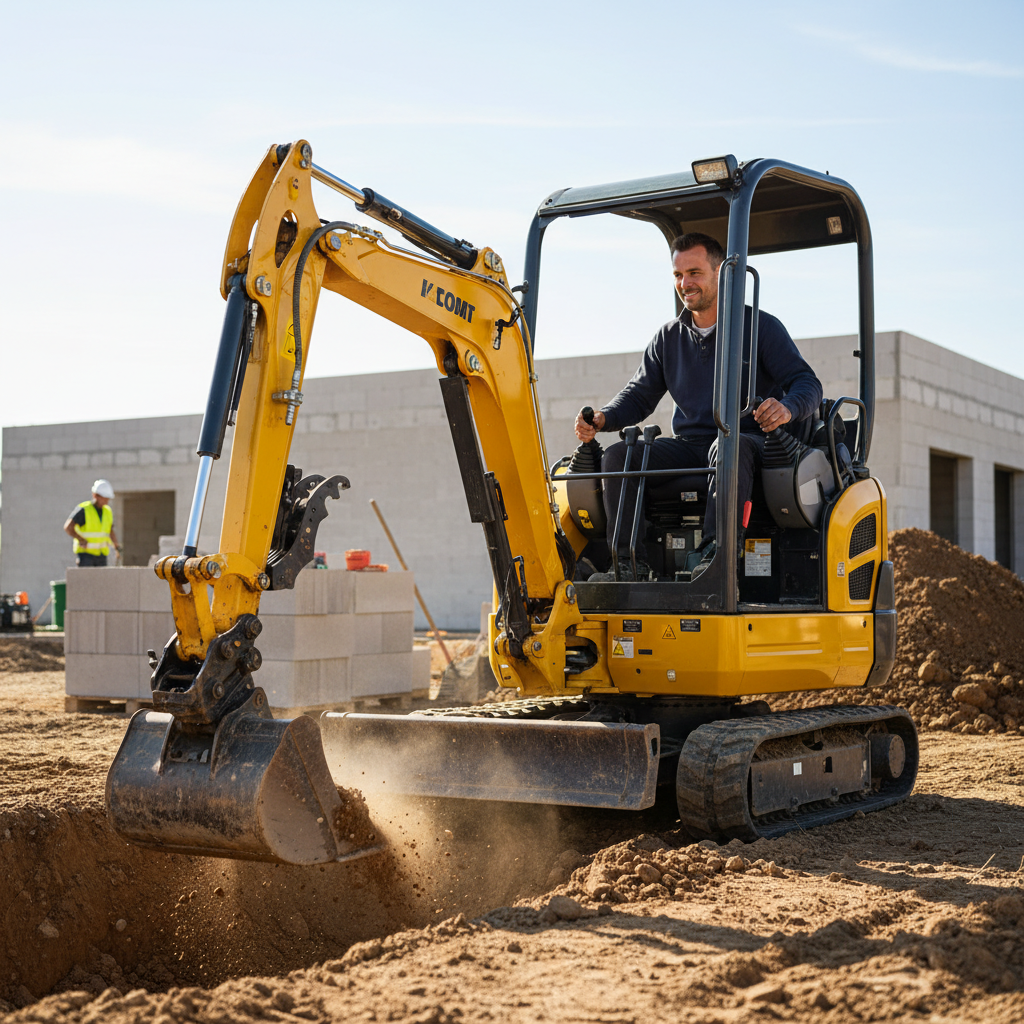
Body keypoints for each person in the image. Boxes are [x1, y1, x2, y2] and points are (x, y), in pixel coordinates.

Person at [574, 232, 822, 580]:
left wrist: (786, 408)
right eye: (678, 275)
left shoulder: (761, 328)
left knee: (727, 446)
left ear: (720, 273)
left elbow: (807, 383)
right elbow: (638, 395)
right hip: (693, 447)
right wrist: (604, 417)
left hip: (748, 443)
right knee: (618, 457)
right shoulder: (668, 338)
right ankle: (629, 564)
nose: (685, 283)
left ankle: (714, 558)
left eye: (694, 273)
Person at [64, 479, 121, 567]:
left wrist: (116, 547)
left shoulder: (107, 511)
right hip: (86, 555)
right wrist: (81, 539)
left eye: (107, 499)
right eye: (104, 499)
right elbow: (68, 527)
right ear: (95, 496)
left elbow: (110, 530)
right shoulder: (84, 510)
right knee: (87, 579)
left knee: (101, 580)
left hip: (101, 555)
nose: (106, 502)